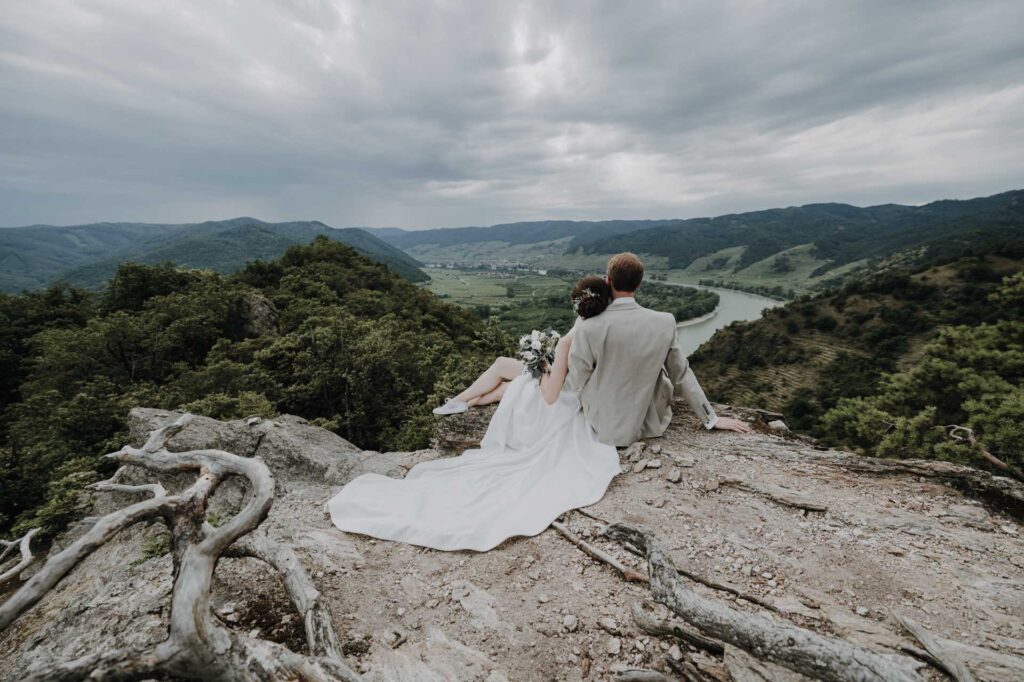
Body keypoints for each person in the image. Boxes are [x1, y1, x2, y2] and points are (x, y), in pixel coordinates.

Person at [325, 276, 621, 552]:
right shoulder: (601, 323)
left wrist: (542, 364)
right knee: (505, 370)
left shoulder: (573, 336)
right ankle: (462, 402)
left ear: (577, 303)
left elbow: (550, 394)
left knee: (510, 382)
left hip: (561, 398)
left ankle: (461, 402)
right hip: (570, 387)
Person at [568, 252, 751, 447]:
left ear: (608, 281)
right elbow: (681, 374)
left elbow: (577, 378)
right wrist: (711, 418)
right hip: (648, 424)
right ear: (639, 284)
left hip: (601, 423)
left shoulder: (588, 327)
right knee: (662, 375)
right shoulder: (665, 322)